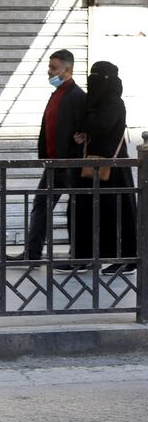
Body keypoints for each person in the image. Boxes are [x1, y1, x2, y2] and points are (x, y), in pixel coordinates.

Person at [7, 49, 86, 270]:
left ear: (67, 69)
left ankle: (79, 257)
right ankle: (32, 254)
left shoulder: (77, 96)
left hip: (69, 165)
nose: (49, 72)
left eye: (53, 67)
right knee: (41, 205)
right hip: (53, 164)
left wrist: (79, 143)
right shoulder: (57, 94)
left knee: (76, 208)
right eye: (49, 67)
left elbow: (85, 128)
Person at [72, 61, 137, 275]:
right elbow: (89, 126)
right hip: (92, 164)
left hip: (114, 167)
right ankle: (86, 257)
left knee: (118, 211)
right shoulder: (97, 101)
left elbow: (101, 126)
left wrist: (89, 114)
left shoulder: (112, 102)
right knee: (86, 210)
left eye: (97, 76)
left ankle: (128, 259)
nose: (93, 79)